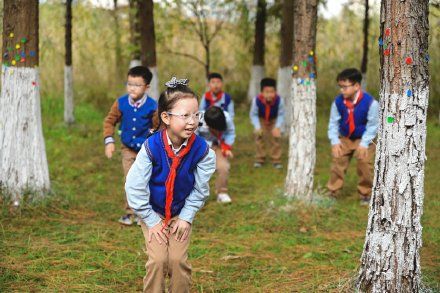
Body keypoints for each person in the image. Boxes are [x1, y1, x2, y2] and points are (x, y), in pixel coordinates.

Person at [125, 77, 216, 292]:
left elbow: (200, 189)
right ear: (165, 117)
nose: (192, 121)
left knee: (176, 261)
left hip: (179, 213)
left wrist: (186, 217)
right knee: (158, 261)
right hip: (152, 212)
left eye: (196, 115)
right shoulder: (151, 147)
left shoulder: (203, 151)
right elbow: (134, 186)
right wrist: (150, 219)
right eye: (185, 116)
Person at [103, 66, 157, 225]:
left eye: (137, 85)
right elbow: (109, 121)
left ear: (147, 87)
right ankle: (130, 212)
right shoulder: (120, 103)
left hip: (146, 151)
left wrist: (154, 137)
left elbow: (159, 127)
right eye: (129, 84)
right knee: (130, 180)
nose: (132, 88)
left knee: (145, 180)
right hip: (127, 149)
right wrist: (109, 141)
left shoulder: (153, 106)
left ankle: (145, 214)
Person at [327, 68, 379, 205]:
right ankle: (333, 191)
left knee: (364, 162)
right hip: (345, 138)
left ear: (356, 86)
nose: (341, 90)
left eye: (345, 87)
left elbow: (373, 126)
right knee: (338, 160)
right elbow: (333, 123)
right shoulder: (338, 102)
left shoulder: (371, 103)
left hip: (364, 138)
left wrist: (364, 143)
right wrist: (335, 141)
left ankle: (366, 193)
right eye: (340, 87)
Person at [197, 106, 235, 203]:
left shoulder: (227, 118)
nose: (218, 132)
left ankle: (222, 192)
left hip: (218, 145)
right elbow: (193, 137)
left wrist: (226, 147)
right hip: (199, 146)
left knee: (224, 167)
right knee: (196, 170)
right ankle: (196, 195)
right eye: (216, 129)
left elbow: (230, 133)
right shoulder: (197, 120)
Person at [249, 78, 285, 169]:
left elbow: (281, 114)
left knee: (275, 137)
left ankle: (276, 159)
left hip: (274, 119)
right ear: (262, 92)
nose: (269, 94)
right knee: (259, 137)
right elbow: (253, 114)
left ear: (275, 92)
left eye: (272, 92)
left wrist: (277, 127)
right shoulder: (256, 100)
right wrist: (257, 126)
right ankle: (260, 158)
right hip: (261, 119)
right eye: (266, 92)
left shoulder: (279, 100)